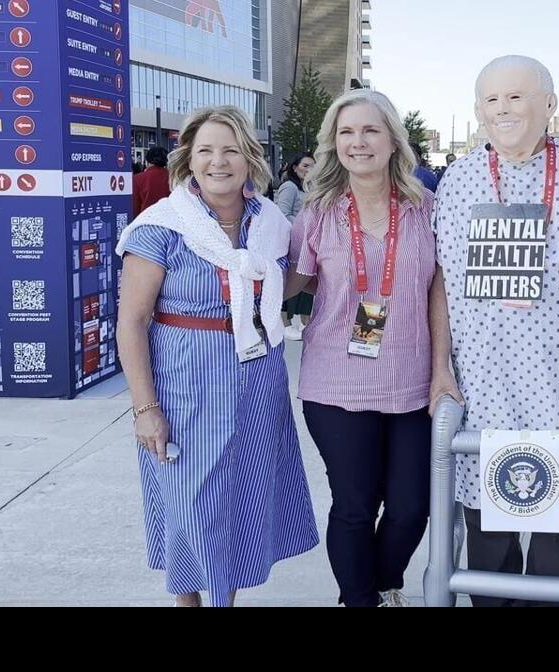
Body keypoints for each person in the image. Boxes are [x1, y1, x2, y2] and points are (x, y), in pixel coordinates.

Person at [430, 55, 559, 606]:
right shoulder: (461, 179)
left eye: (516, 97)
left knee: (556, 554)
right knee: (487, 547)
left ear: (550, 105)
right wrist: (440, 367)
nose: (503, 110)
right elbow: (443, 279)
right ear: (477, 112)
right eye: (491, 100)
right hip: (483, 391)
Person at [116, 106, 319, 607]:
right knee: (190, 502)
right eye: (205, 150)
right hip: (186, 383)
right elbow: (132, 323)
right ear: (189, 159)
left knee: (242, 501)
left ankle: (227, 601)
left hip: (256, 380)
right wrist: (145, 409)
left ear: (250, 158)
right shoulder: (160, 227)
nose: (218, 161)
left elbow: (283, 284)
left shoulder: (270, 222)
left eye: (230, 150)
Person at [284, 89, 436, 607]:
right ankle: (360, 600)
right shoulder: (318, 214)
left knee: (413, 506)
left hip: (413, 382)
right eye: (346, 132)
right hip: (335, 382)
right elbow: (291, 284)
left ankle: (384, 579)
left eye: (370, 130)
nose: (358, 142)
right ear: (334, 144)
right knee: (354, 505)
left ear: (394, 139)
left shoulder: (426, 210)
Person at [276, 153, 316, 339]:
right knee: (292, 282)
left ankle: (303, 321)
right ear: (295, 167)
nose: (309, 170)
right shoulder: (289, 187)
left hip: (308, 243)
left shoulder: (309, 188)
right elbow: (282, 214)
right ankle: (286, 324)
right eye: (305, 165)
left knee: (308, 282)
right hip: (292, 242)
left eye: (313, 166)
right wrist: (303, 228)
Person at [132, 146, 171, 217]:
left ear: (148, 160)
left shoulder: (138, 178)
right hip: (168, 219)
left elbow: (136, 206)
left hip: (146, 219)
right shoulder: (173, 177)